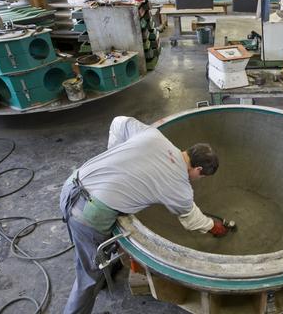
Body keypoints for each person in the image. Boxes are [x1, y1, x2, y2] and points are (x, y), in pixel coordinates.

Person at [59, 116, 228, 314]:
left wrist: (114, 156)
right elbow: (192, 220)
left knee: (87, 250)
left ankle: (101, 271)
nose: (197, 181)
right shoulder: (179, 188)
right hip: (89, 214)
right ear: (198, 169)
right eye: (200, 177)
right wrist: (214, 227)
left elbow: (118, 122)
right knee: (88, 275)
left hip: (72, 185)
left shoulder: (155, 136)